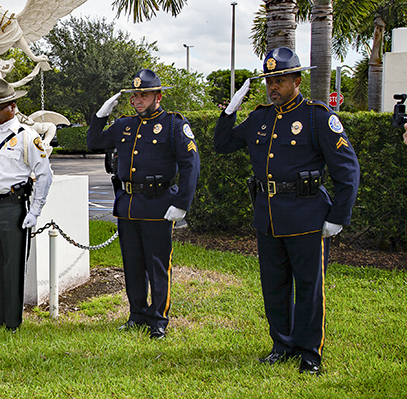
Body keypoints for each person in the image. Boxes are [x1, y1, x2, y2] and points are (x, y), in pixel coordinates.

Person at [213, 47, 360, 375]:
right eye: (269, 80)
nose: (273, 86)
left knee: (309, 288)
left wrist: (338, 217)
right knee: (274, 286)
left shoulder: (317, 116)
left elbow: (348, 170)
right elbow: (222, 146)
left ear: (297, 79)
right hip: (268, 216)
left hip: (308, 215)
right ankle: (282, 344)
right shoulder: (261, 117)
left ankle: (310, 352)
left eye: (280, 79)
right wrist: (230, 111)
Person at [87, 69, 200, 339]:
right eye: (135, 95)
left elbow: (191, 164)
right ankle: (137, 314)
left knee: (157, 265)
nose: (138, 100)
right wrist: (100, 116)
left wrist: (182, 203)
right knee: (133, 264)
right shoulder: (124, 125)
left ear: (157, 97)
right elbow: (93, 143)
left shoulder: (173, 125)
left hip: (159, 204)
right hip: (128, 205)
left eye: (144, 95)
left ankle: (158, 319)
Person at [0, 78, 53, 332]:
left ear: (13, 107)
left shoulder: (27, 137)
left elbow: (45, 175)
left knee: (12, 266)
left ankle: (12, 322)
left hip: (12, 207)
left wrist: (35, 211)